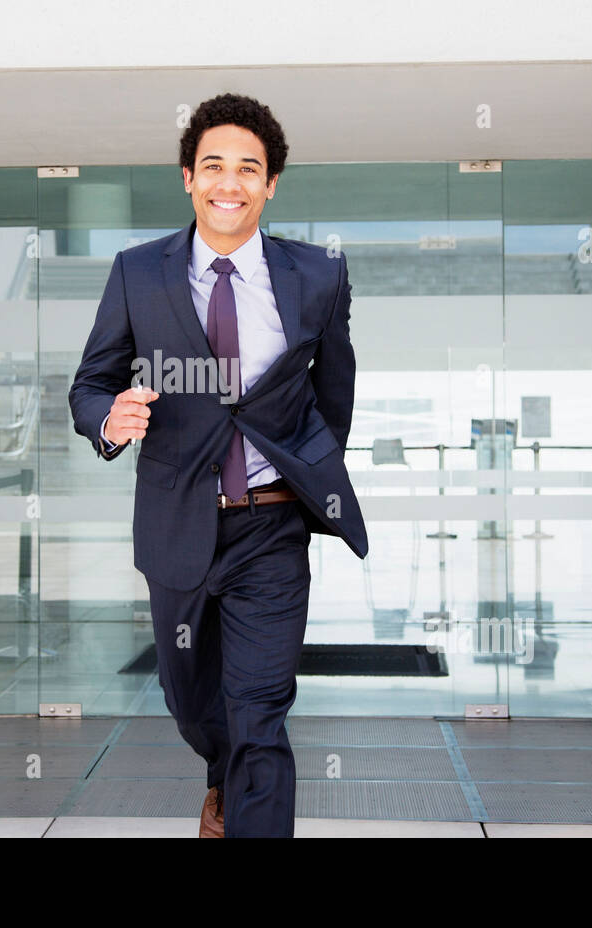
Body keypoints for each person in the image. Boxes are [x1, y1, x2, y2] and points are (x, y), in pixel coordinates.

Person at [68, 93, 368, 837]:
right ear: (187, 177)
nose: (228, 183)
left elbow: (333, 396)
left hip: (270, 528)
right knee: (194, 703)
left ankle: (248, 806)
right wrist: (111, 418)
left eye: (248, 169)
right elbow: (89, 383)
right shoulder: (140, 273)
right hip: (177, 524)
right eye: (213, 166)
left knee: (260, 708)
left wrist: (306, 476)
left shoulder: (319, 276)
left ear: (270, 185)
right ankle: (220, 777)